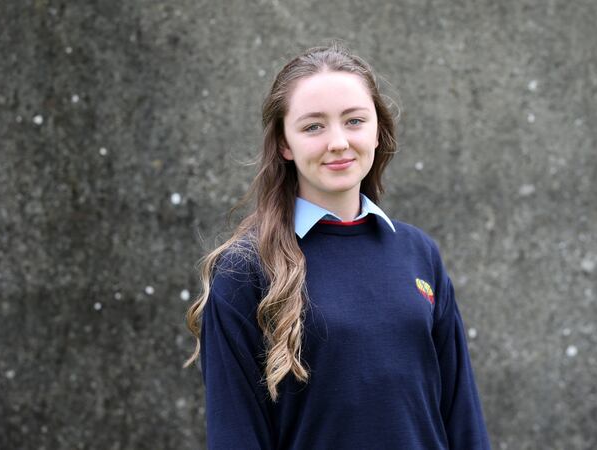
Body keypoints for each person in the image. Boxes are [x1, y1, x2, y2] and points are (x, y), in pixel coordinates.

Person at [184, 42, 491, 450]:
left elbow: (463, 416)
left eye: (354, 121)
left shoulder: (419, 253)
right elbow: (235, 435)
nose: (338, 142)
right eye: (313, 126)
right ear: (284, 143)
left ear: (378, 131)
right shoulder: (245, 269)